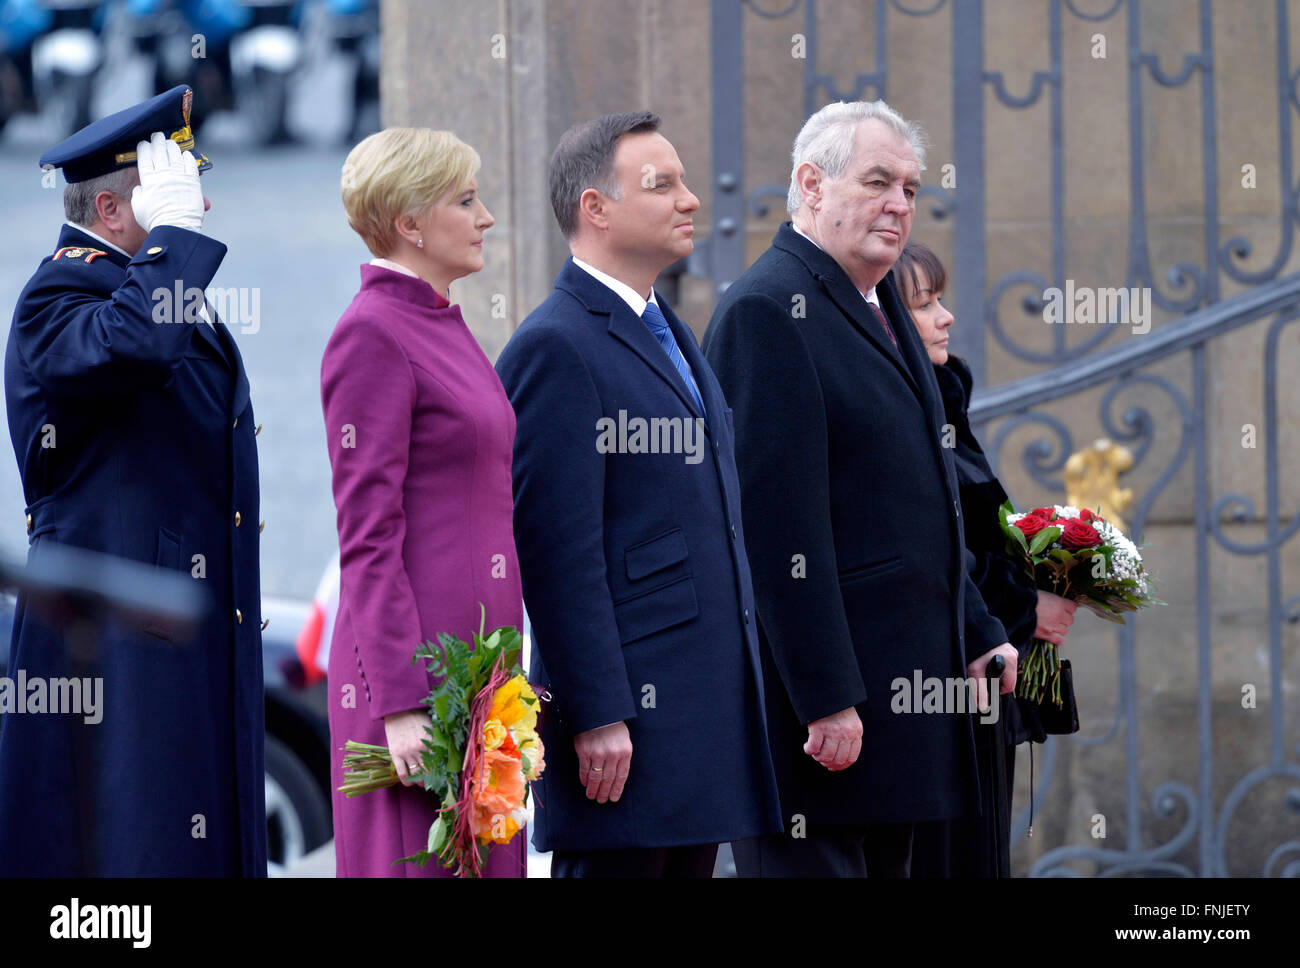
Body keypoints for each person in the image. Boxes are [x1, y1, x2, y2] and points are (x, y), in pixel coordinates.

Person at [702, 99, 1017, 877]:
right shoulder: (766, 311)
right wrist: (824, 695)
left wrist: (977, 631)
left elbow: (926, 496)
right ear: (811, 185)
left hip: (902, 713)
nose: (900, 205)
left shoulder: (875, 301)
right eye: (878, 182)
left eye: (910, 188)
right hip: (829, 724)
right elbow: (777, 533)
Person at [495, 111, 782, 878]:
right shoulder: (555, 345)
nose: (690, 200)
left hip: (694, 716)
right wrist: (596, 711)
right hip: (624, 731)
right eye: (662, 185)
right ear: (596, 209)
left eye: (685, 183)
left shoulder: (667, 327)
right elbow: (558, 549)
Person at [0, 85, 266, 876]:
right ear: (116, 213)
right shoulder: (58, 295)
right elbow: (134, 349)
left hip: (173, 635)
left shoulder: (139, 290)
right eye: (176, 198)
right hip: (114, 648)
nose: (201, 206)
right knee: (132, 856)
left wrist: (168, 245)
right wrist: (175, 241)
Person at [322, 127, 524, 877]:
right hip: (415, 684)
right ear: (409, 224)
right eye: (466, 201)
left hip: (479, 673)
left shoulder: (439, 318)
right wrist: (401, 702)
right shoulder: (371, 332)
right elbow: (367, 534)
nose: (487, 218)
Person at [895, 240, 1078, 877]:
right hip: (941, 685)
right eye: (925, 304)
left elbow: (979, 530)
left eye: (941, 299)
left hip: (981, 681)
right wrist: (1031, 605)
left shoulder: (944, 396)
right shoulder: (904, 413)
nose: (945, 316)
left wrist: (1057, 568)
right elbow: (939, 552)